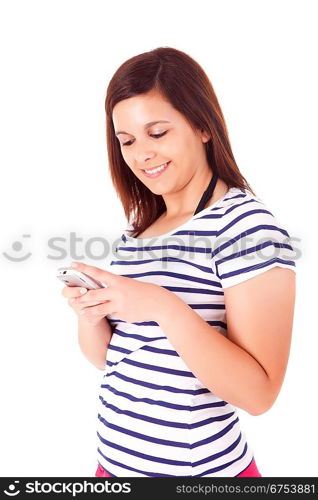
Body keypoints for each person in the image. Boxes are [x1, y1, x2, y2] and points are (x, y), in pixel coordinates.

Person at [62, 47, 296, 477]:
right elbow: (108, 359)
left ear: (203, 126)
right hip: (112, 467)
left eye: (158, 132)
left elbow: (259, 394)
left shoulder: (247, 227)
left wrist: (161, 305)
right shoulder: (138, 230)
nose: (141, 154)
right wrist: (89, 313)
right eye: (127, 141)